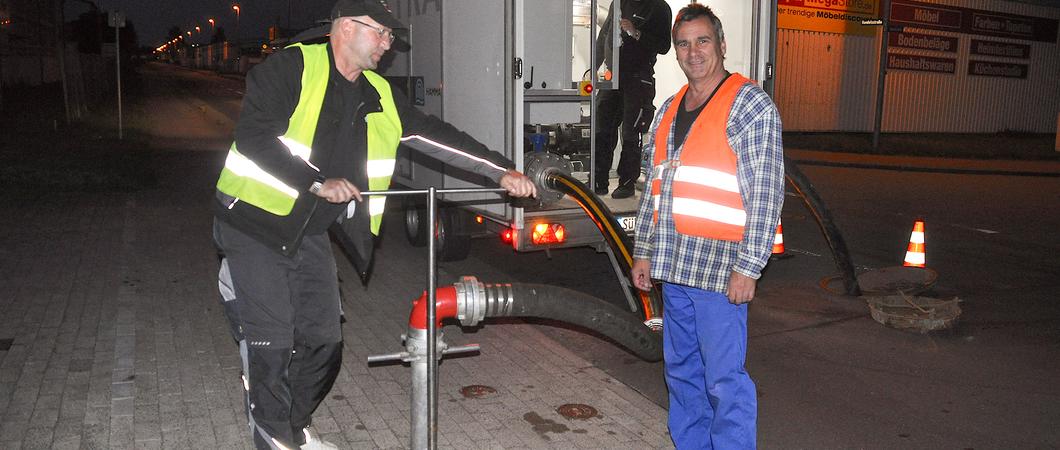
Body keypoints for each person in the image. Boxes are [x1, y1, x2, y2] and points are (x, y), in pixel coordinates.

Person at [211, 1, 536, 448]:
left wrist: (501, 171)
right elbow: (253, 137)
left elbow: (437, 136)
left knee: (325, 342)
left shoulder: (379, 94)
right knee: (274, 345)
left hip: (306, 234)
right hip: (251, 224)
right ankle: (276, 438)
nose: (389, 44)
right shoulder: (291, 68)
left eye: (390, 37)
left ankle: (292, 422)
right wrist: (316, 183)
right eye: (381, 33)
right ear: (345, 27)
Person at [630, 4, 783, 449]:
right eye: (683, 43)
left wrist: (749, 267)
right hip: (675, 268)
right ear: (674, 51)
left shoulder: (749, 105)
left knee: (723, 380)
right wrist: (644, 250)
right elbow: (653, 189)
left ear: (721, 45)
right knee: (681, 373)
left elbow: (767, 193)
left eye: (702, 41)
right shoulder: (667, 110)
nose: (693, 52)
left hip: (721, 274)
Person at [593, 0, 671, 199]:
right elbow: (604, 36)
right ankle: (598, 181)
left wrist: (636, 32)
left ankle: (627, 183)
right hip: (612, 78)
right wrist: (593, 70)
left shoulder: (658, 7)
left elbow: (663, 46)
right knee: (601, 129)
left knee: (630, 132)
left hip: (638, 79)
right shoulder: (619, 3)